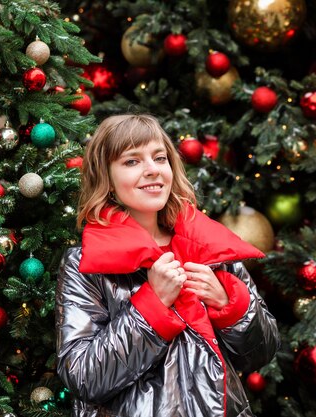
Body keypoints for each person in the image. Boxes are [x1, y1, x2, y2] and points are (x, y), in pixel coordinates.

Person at [55, 114, 280, 417]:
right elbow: (83, 376)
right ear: (107, 179)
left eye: (159, 158)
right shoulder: (86, 264)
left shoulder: (208, 247)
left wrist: (229, 305)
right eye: (131, 161)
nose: (152, 170)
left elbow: (262, 352)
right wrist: (152, 308)